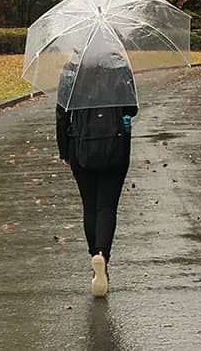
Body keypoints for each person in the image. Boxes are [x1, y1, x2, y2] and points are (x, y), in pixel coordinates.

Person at [56, 52, 137, 298]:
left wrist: (64, 150)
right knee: (107, 208)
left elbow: (62, 113)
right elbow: (131, 109)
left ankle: (95, 258)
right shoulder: (120, 67)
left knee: (90, 206)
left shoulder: (71, 69)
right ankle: (102, 255)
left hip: (80, 147)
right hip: (116, 147)